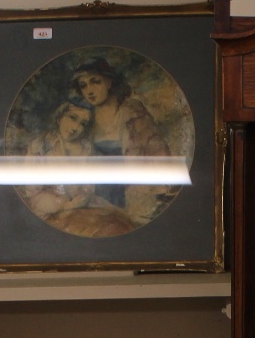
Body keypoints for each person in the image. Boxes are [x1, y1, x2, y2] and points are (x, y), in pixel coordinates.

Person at [70, 57, 175, 223]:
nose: (89, 90)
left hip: (133, 193)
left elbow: (158, 150)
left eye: (95, 82)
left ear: (109, 82)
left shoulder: (132, 112)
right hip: (96, 195)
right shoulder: (85, 118)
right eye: (83, 85)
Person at [16, 98, 135, 238]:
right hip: (51, 211)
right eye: (72, 118)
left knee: (121, 223)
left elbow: (88, 187)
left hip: (85, 205)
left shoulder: (86, 147)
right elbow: (32, 192)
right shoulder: (40, 145)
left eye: (82, 124)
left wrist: (82, 199)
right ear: (60, 116)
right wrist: (64, 206)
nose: (75, 128)